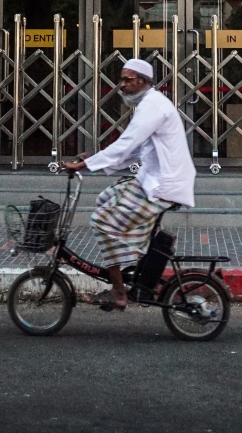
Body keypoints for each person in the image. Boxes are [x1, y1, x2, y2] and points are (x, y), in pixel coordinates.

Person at [59, 57, 195, 310]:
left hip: (163, 185)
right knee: (106, 198)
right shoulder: (149, 104)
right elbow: (135, 151)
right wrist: (94, 159)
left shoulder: (152, 106)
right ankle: (133, 264)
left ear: (143, 81)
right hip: (153, 178)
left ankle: (119, 291)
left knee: (101, 220)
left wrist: (84, 166)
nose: (121, 85)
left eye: (127, 80)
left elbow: (126, 145)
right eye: (121, 80)